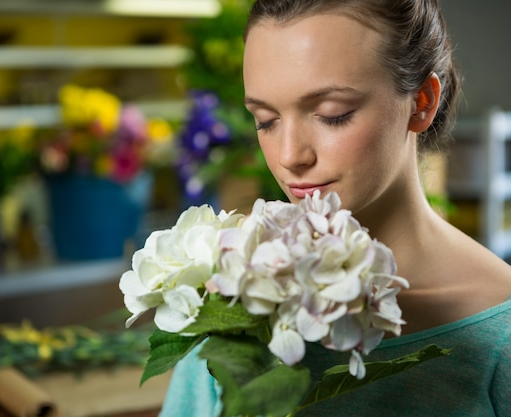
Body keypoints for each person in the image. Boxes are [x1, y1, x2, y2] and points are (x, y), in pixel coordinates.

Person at [158, 0, 511, 416]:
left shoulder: (497, 333)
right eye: (266, 120)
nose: (290, 156)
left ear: (421, 102)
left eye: (332, 115)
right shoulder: (232, 295)